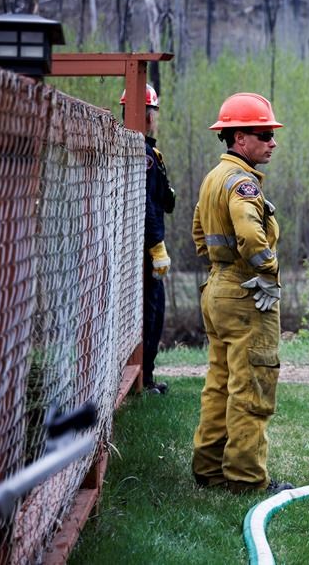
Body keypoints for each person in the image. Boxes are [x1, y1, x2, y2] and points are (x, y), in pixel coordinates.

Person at [190, 92, 293, 494]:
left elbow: (200, 233)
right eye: (264, 134)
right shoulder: (242, 184)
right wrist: (267, 272)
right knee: (252, 385)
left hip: (217, 289)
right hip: (246, 292)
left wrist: (222, 265)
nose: (272, 142)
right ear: (239, 139)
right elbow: (251, 233)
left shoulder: (215, 178)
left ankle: (210, 469)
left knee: (220, 383)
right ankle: (247, 478)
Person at [120, 84, 175, 394]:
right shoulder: (143, 154)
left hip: (139, 245)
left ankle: (147, 376)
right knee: (150, 311)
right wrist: (157, 246)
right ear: (145, 115)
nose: (154, 118)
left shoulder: (148, 150)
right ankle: (146, 378)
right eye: (152, 112)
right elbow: (146, 206)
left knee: (153, 310)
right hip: (145, 247)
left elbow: (160, 199)